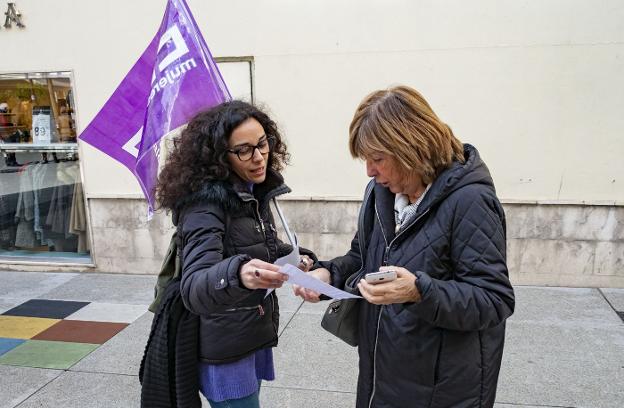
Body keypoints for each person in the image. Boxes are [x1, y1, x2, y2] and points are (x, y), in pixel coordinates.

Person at [295, 85, 515, 407]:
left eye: (378, 159)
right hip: (380, 379)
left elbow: (493, 299)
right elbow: (361, 257)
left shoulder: (471, 201)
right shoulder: (379, 193)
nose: (370, 171)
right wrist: (328, 275)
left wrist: (419, 292)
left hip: (442, 391)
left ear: (410, 148)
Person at [155, 100, 315, 408]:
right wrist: (239, 273)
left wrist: (300, 257)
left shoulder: (249, 191)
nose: (258, 157)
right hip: (225, 346)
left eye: (262, 144)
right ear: (218, 157)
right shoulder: (204, 205)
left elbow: (255, 245)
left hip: (250, 331)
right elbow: (196, 287)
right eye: (244, 150)